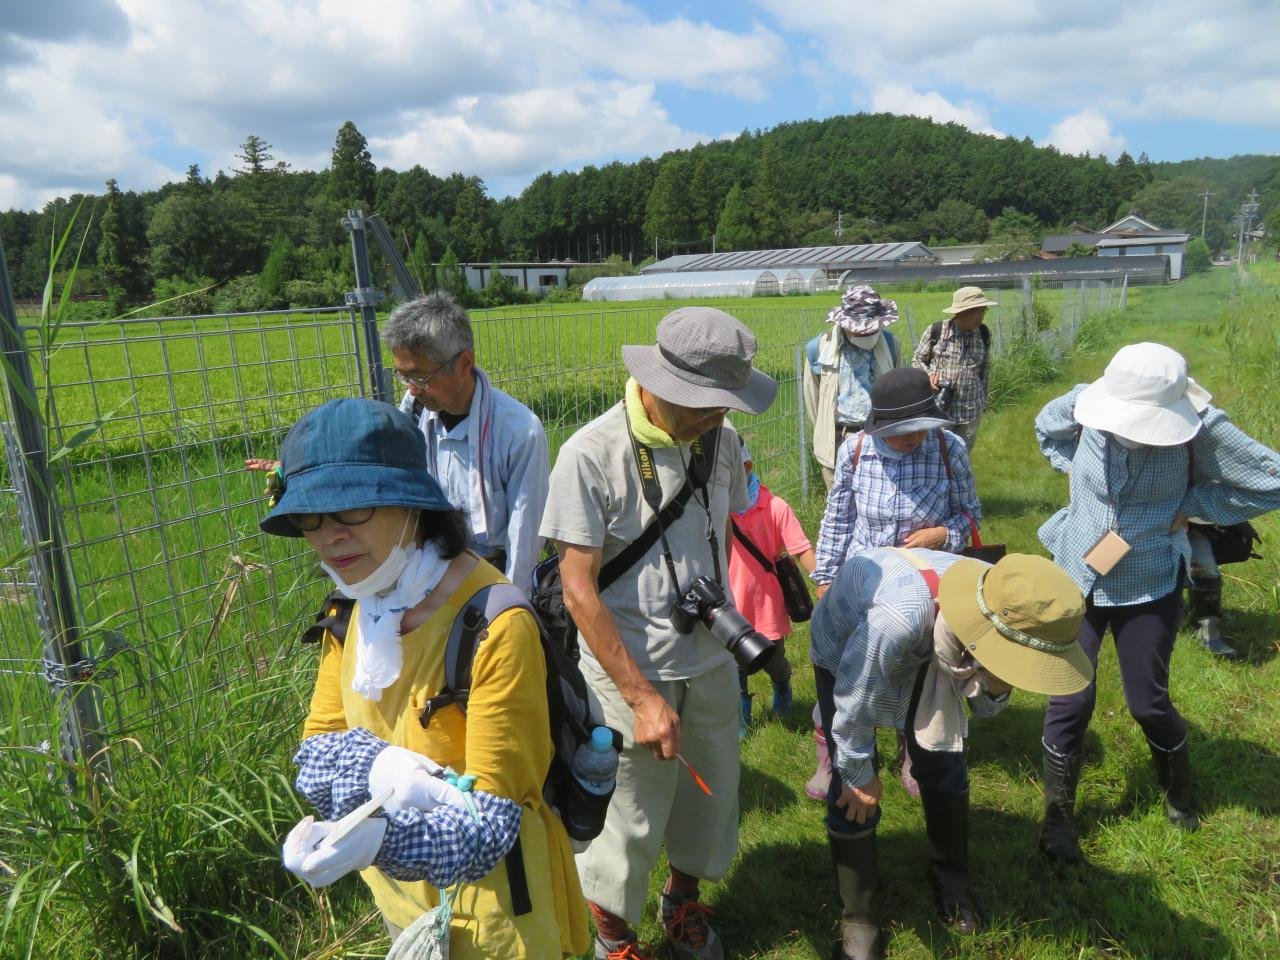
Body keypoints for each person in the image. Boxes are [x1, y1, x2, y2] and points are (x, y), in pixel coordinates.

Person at [262, 397, 588, 958]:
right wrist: (381, 769)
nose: (327, 536)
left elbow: (488, 827)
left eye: (352, 510)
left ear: (412, 504)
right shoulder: (357, 604)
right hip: (402, 902)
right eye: (310, 516)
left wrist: (379, 833)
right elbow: (312, 756)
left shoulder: (494, 624)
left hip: (497, 914)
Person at [540, 307, 777, 960]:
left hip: (710, 661)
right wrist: (641, 697)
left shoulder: (720, 441)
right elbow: (577, 588)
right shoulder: (590, 455)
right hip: (627, 674)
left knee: (711, 802)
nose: (722, 418)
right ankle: (614, 940)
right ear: (664, 384)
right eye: (710, 404)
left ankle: (683, 904)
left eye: (728, 404)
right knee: (627, 823)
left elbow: (721, 534)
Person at [1034, 342, 1280, 863]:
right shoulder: (1084, 406)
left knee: (1148, 701)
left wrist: (1194, 506)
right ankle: (1058, 819)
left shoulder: (1202, 431)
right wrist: (1073, 474)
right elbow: (1046, 427)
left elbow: (1272, 479)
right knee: (1069, 698)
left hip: (1147, 581)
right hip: (1076, 572)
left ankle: (1179, 791)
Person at [812, 547, 1091, 960]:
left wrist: (995, 681)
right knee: (852, 789)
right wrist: (857, 772)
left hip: (936, 635)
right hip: (852, 644)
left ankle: (952, 881)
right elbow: (854, 700)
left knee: (945, 761)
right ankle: (859, 918)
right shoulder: (897, 617)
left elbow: (985, 701)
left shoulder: (1005, 598)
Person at [807, 367, 984, 803]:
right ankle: (834, 753)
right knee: (849, 670)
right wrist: (827, 578)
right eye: (903, 432)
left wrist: (942, 536)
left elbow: (970, 514)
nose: (913, 439)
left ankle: (913, 747)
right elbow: (839, 518)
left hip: (927, 586)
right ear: (880, 427)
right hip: (865, 584)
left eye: (921, 429)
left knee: (917, 669)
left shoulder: (949, 448)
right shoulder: (855, 450)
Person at [385, 291, 550, 592]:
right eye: (403, 376)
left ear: (464, 364)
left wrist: (511, 602)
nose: (411, 389)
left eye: (420, 377)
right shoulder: (412, 415)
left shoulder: (519, 431)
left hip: (491, 577)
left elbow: (524, 535)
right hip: (426, 570)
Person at [727, 438, 816, 735]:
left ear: (747, 467)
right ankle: (740, 714)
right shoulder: (718, 511)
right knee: (734, 666)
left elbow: (800, 548)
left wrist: (824, 581)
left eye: (728, 473)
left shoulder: (775, 507)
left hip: (766, 605)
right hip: (731, 606)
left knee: (772, 659)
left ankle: (782, 685)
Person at [804, 285, 901, 490]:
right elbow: (814, 402)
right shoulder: (819, 350)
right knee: (841, 510)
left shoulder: (892, 345)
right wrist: (827, 433)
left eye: (871, 328)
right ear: (844, 323)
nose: (865, 333)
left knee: (880, 506)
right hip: (838, 440)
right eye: (858, 329)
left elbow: (897, 395)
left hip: (882, 438)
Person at [911, 285, 997, 449]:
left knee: (962, 456)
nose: (981, 317)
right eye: (977, 311)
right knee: (936, 454)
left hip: (971, 410)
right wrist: (928, 375)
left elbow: (984, 370)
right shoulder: (936, 331)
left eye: (983, 311)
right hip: (940, 410)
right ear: (962, 312)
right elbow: (917, 360)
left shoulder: (984, 334)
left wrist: (983, 402)